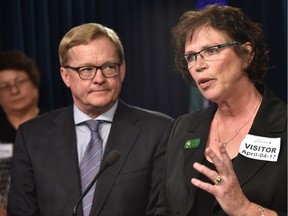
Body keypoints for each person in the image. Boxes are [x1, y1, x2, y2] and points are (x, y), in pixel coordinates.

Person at [7, 23, 174, 216]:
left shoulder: (159, 130)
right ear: (65, 76)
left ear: (122, 70)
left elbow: (162, 211)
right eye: (86, 70)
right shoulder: (32, 135)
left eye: (109, 67)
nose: (99, 78)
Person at [155, 4, 287, 216]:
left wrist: (245, 209)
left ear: (246, 54)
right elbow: (163, 209)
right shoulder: (182, 128)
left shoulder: (284, 126)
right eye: (190, 57)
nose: (198, 65)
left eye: (211, 50)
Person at [0, 50, 43, 216]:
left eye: (20, 82)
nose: (14, 91)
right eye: (5, 86)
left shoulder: (58, 128)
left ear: (34, 83)